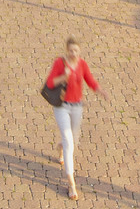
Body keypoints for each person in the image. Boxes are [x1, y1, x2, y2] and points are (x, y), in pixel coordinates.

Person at [43, 37, 102, 199]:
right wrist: (64, 77)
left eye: (76, 50)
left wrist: (99, 90)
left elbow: (89, 79)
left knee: (72, 141)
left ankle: (61, 147)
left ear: (80, 51)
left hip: (77, 107)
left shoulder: (82, 64)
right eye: (71, 50)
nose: (73, 53)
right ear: (67, 51)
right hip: (61, 106)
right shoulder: (59, 63)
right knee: (70, 143)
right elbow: (49, 83)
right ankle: (71, 184)